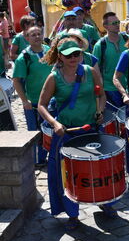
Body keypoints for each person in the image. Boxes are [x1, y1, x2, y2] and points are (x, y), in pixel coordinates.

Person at [38, 38, 108, 230]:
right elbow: (41, 105)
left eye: (77, 54)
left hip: (90, 130)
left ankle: (106, 201)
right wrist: (54, 123)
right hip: (67, 133)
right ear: (60, 56)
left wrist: (100, 112)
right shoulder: (54, 78)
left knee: (101, 170)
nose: (73, 58)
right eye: (68, 55)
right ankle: (72, 214)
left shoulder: (90, 71)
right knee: (67, 175)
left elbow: (101, 95)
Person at [12, 26, 52, 164]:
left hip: (50, 101)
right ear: (27, 38)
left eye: (39, 34)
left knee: (48, 129)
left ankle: (47, 154)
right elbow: (16, 81)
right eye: (33, 35)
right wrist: (24, 101)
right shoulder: (24, 57)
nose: (36, 36)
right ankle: (36, 159)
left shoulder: (49, 52)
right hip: (33, 102)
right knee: (35, 132)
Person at [93, 12, 128, 109]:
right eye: (114, 23)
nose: (117, 25)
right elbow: (95, 70)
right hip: (109, 89)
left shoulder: (128, 40)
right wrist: (100, 90)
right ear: (105, 26)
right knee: (114, 121)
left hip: (128, 88)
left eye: (118, 22)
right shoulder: (100, 45)